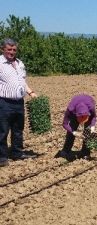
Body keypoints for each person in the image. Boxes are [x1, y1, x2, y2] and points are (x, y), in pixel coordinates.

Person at [0, 38, 38, 167]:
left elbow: (22, 81)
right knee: (2, 130)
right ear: (3, 49)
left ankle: (16, 153)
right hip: (4, 102)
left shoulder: (20, 63)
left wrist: (30, 92)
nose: (12, 52)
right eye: (9, 49)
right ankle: (2, 157)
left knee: (18, 129)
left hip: (19, 102)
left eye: (14, 50)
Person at [55, 94, 97, 161]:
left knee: (88, 132)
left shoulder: (91, 107)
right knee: (71, 129)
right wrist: (74, 132)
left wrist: (92, 128)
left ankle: (85, 153)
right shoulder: (71, 109)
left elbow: (94, 117)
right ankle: (65, 151)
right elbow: (64, 124)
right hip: (75, 111)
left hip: (87, 107)